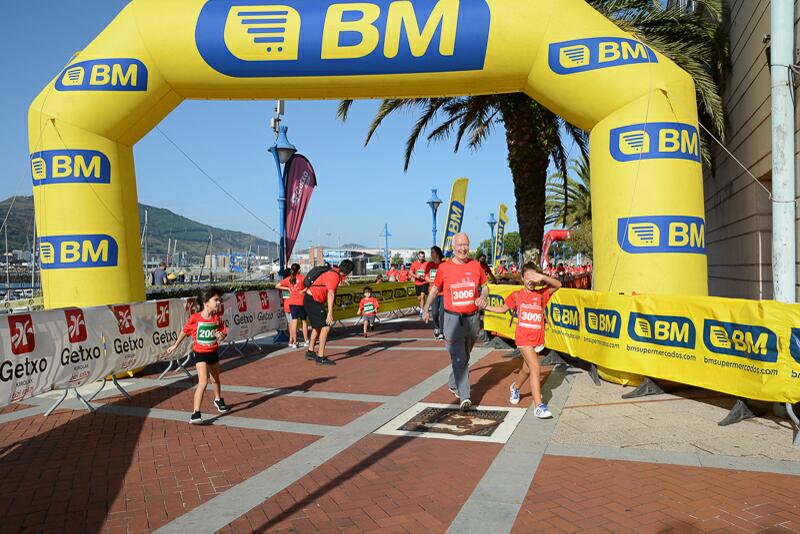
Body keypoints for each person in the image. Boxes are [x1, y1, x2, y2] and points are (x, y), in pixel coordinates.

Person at [485, 263, 561, 418]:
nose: (531, 281)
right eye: (528, 278)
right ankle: (539, 405)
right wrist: (485, 306)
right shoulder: (516, 295)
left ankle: (515, 387)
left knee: (527, 369)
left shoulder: (542, 294)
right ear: (522, 278)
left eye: (534, 278)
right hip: (523, 338)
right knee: (535, 368)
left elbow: (558, 284)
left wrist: (542, 277)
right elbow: (503, 309)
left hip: (537, 340)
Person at [423, 233, 488, 411]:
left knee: (465, 357)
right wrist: (426, 308)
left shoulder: (475, 265)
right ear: (453, 248)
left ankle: (453, 382)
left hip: (473, 319)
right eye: (459, 245)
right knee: (459, 358)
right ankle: (465, 397)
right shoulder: (444, 268)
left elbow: (486, 286)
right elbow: (435, 289)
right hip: (452, 319)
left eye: (466, 244)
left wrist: (483, 296)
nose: (463, 248)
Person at [165, 286, 230, 424]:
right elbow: (185, 331)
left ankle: (218, 399)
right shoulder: (195, 318)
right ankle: (196, 413)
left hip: (213, 352)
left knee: (216, 379)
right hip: (200, 354)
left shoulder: (217, 318)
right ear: (206, 303)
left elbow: (222, 332)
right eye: (216, 300)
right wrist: (175, 345)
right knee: (203, 382)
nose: (219, 303)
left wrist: (221, 335)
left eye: (219, 300)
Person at [304, 259, 354, 365]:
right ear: (347, 272)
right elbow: (331, 294)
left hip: (310, 298)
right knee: (326, 326)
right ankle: (320, 356)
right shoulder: (334, 276)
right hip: (313, 300)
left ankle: (310, 351)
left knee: (317, 327)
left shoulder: (334, 271)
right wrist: (330, 313)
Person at [277, 263, 309, 349]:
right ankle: (306, 340)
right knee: (303, 321)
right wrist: (303, 291)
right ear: (298, 270)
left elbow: (277, 286)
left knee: (293, 322)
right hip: (301, 302)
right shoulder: (302, 278)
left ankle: (294, 342)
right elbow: (310, 286)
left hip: (292, 303)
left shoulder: (288, 279)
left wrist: (287, 288)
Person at [426, 246, 446, 340]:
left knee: (442, 312)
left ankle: (442, 332)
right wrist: (431, 280)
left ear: (437, 253)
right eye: (431, 252)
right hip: (433, 291)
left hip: (443, 292)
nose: (431, 254)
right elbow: (426, 277)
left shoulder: (444, 264)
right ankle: (437, 327)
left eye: (432, 252)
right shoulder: (429, 264)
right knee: (434, 313)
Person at [410, 250, 429, 315]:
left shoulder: (426, 263)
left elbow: (430, 271)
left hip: (424, 282)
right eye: (420, 256)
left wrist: (427, 276)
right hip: (417, 283)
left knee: (422, 296)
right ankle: (422, 306)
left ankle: (421, 310)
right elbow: (410, 272)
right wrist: (416, 276)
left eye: (423, 256)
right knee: (419, 298)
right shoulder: (414, 263)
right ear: (418, 256)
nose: (422, 258)